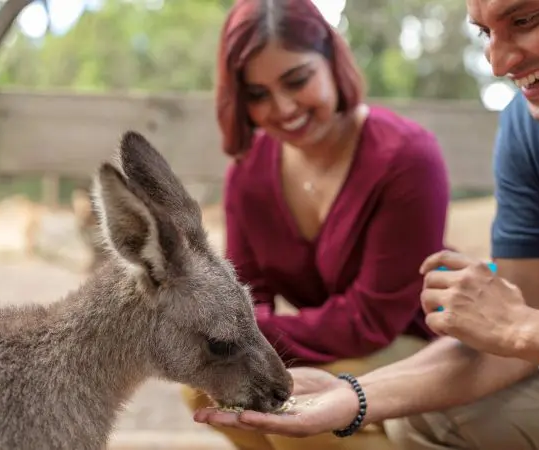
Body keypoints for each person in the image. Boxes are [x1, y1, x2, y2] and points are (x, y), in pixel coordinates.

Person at [194, 0, 539, 448]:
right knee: (421, 411)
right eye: (486, 33)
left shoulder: (401, 153)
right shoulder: (531, 131)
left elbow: (521, 327)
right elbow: (511, 341)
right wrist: (355, 395)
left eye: (526, 18)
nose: (499, 62)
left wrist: (532, 328)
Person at [181, 0, 452, 449]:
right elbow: (247, 292)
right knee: (208, 389)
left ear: (332, 59)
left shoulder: (407, 158)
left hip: (411, 347)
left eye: (297, 80)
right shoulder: (248, 172)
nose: (283, 108)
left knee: (291, 408)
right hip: (333, 347)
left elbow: (372, 320)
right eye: (258, 94)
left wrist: (236, 333)